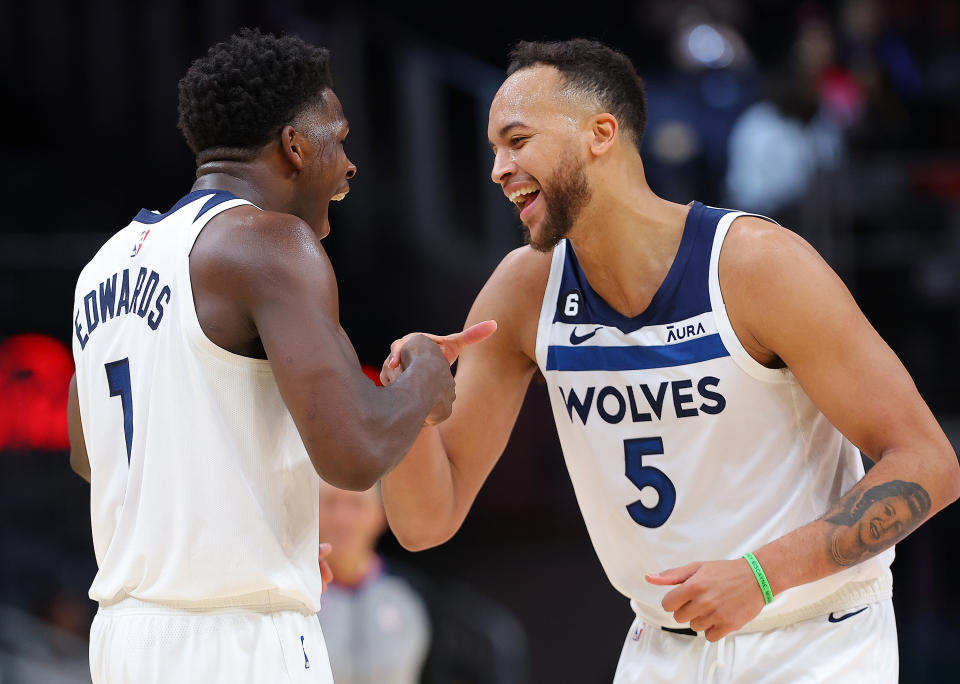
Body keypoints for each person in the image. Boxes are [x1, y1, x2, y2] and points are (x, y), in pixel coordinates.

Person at [377, 39, 960, 682]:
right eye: (494, 149)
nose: (497, 168)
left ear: (601, 132)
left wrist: (762, 577)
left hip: (810, 637)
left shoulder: (756, 266)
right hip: (664, 646)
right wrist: (410, 408)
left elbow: (929, 464)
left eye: (517, 140)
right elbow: (425, 523)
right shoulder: (525, 289)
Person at [66, 28, 468, 684]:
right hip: (238, 646)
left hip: (123, 638)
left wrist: (242, 536)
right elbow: (355, 452)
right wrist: (424, 378)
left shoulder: (104, 264)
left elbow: (92, 457)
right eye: (338, 138)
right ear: (294, 146)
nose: (349, 164)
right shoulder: (271, 245)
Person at [315, 480, 430, 684]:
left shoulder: (412, 592)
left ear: (380, 514)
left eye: (356, 504)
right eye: (330, 503)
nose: (342, 519)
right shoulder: (295, 593)